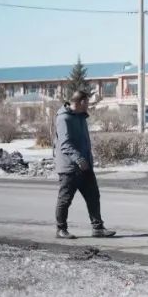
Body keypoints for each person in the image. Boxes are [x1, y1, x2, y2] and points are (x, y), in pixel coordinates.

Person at [54, 90, 115, 239]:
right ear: (81, 102)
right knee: (65, 199)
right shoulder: (64, 118)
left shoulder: (81, 117)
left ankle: (98, 228)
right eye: (87, 102)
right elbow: (65, 144)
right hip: (70, 167)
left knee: (93, 196)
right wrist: (79, 159)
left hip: (85, 166)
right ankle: (61, 229)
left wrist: (86, 160)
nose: (88, 104)